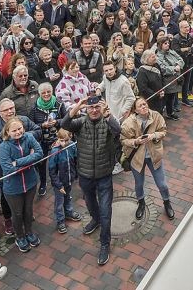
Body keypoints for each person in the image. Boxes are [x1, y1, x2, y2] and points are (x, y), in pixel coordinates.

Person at [61, 97, 120, 266]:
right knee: (89, 201)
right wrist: (78, 106)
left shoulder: (107, 121)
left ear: (102, 108)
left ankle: (104, 244)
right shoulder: (80, 123)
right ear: (86, 109)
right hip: (85, 174)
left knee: (106, 210)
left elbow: (118, 130)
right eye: (91, 107)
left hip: (104, 174)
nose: (94, 110)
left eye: (97, 107)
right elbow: (65, 124)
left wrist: (108, 116)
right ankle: (95, 219)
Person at [120, 98, 174, 221]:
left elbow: (163, 131)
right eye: (140, 106)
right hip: (137, 158)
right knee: (139, 184)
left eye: (144, 104)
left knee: (162, 184)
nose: (144, 106)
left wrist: (153, 135)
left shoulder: (156, 116)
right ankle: (141, 203)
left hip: (154, 155)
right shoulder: (128, 123)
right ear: (136, 110)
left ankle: (167, 202)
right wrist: (136, 141)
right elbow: (123, 140)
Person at [0, 117, 43, 253]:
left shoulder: (29, 137)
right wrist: (30, 160)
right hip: (13, 188)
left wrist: (17, 162)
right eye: (14, 130)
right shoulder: (4, 147)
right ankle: (20, 236)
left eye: (20, 129)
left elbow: (39, 153)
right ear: (7, 132)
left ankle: (29, 232)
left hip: (30, 183)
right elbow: (8, 169)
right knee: (17, 214)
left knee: (28, 210)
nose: (18, 132)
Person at [47, 129, 83, 234]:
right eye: (61, 140)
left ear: (70, 137)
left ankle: (69, 212)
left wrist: (75, 174)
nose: (63, 143)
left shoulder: (72, 146)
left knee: (68, 197)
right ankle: (60, 221)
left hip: (69, 179)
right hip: (60, 183)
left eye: (66, 140)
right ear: (58, 138)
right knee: (59, 203)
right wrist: (58, 185)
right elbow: (52, 171)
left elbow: (75, 161)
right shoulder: (54, 151)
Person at [154, 36, 182, 120]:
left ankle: (170, 112)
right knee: (165, 98)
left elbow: (180, 59)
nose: (167, 45)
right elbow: (162, 68)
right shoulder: (158, 56)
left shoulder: (171, 52)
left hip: (175, 79)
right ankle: (162, 114)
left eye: (168, 43)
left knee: (172, 97)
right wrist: (174, 68)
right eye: (165, 43)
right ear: (160, 45)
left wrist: (178, 65)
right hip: (166, 80)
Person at [134, 51, 165, 115]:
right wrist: (157, 94)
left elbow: (162, 78)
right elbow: (143, 88)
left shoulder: (156, 65)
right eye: (153, 57)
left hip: (160, 98)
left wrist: (163, 90)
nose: (155, 58)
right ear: (146, 59)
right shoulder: (142, 71)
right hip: (150, 100)